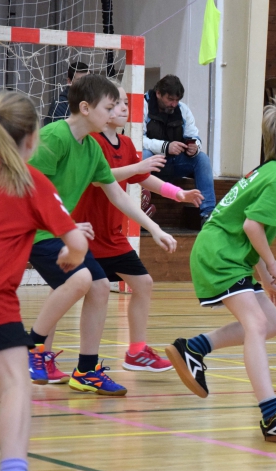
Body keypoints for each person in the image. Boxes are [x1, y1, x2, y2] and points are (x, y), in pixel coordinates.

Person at [165, 101, 276, 443]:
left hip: (223, 250)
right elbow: (252, 228)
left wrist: (266, 280)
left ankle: (194, 348)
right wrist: (273, 263)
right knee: (257, 324)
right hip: (220, 254)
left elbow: (245, 232)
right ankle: (272, 416)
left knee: (272, 322)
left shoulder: (268, 171)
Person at [26, 74, 177, 394]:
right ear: (85, 108)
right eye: (108, 107)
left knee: (98, 287)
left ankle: (86, 370)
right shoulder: (54, 137)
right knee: (81, 280)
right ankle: (32, 347)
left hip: (60, 232)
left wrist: (154, 228)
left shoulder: (92, 149)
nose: (113, 114)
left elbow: (118, 195)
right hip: (33, 232)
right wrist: (66, 226)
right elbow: (33, 192)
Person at [71, 84, 203, 373]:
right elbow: (99, 178)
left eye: (125, 102)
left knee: (143, 284)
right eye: (116, 103)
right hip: (86, 235)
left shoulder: (127, 144)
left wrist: (178, 194)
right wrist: (136, 168)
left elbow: (143, 177)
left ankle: (137, 352)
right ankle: (44, 350)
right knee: (79, 293)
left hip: (113, 237)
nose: (123, 107)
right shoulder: (92, 141)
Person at [0, 90, 88, 471]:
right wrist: (71, 254)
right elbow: (78, 244)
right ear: (32, 138)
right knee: (16, 384)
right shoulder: (29, 181)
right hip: (0, 302)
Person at [142, 74, 216, 225]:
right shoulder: (143, 105)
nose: (174, 104)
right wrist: (165, 147)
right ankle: (139, 206)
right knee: (143, 155)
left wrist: (194, 147)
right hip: (152, 161)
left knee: (202, 159)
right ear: (158, 93)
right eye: (170, 99)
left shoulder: (183, 110)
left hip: (175, 162)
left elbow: (194, 135)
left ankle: (208, 214)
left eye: (177, 100)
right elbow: (137, 139)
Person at [43, 61, 89, 125]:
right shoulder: (59, 105)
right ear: (69, 82)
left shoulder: (94, 100)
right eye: (80, 81)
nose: (85, 84)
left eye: (88, 80)